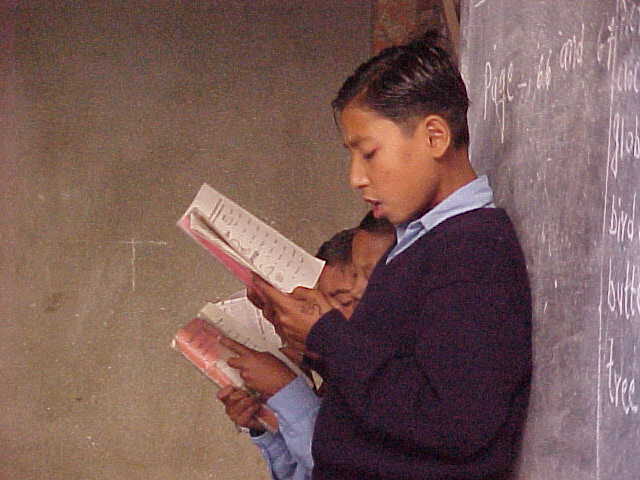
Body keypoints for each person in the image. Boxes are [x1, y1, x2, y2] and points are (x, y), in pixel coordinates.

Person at [249, 31, 532, 480]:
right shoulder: (420, 244)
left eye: (368, 153)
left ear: (435, 136)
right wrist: (311, 340)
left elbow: (455, 423)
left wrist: (329, 337)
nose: (356, 178)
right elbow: (397, 384)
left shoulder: (472, 251)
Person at [217, 219, 395, 480]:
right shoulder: (334, 375)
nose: (322, 317)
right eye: (315, 304)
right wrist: (268, 428)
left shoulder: (397, 376)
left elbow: (347, 467)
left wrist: (287, 391)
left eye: (345, 301)